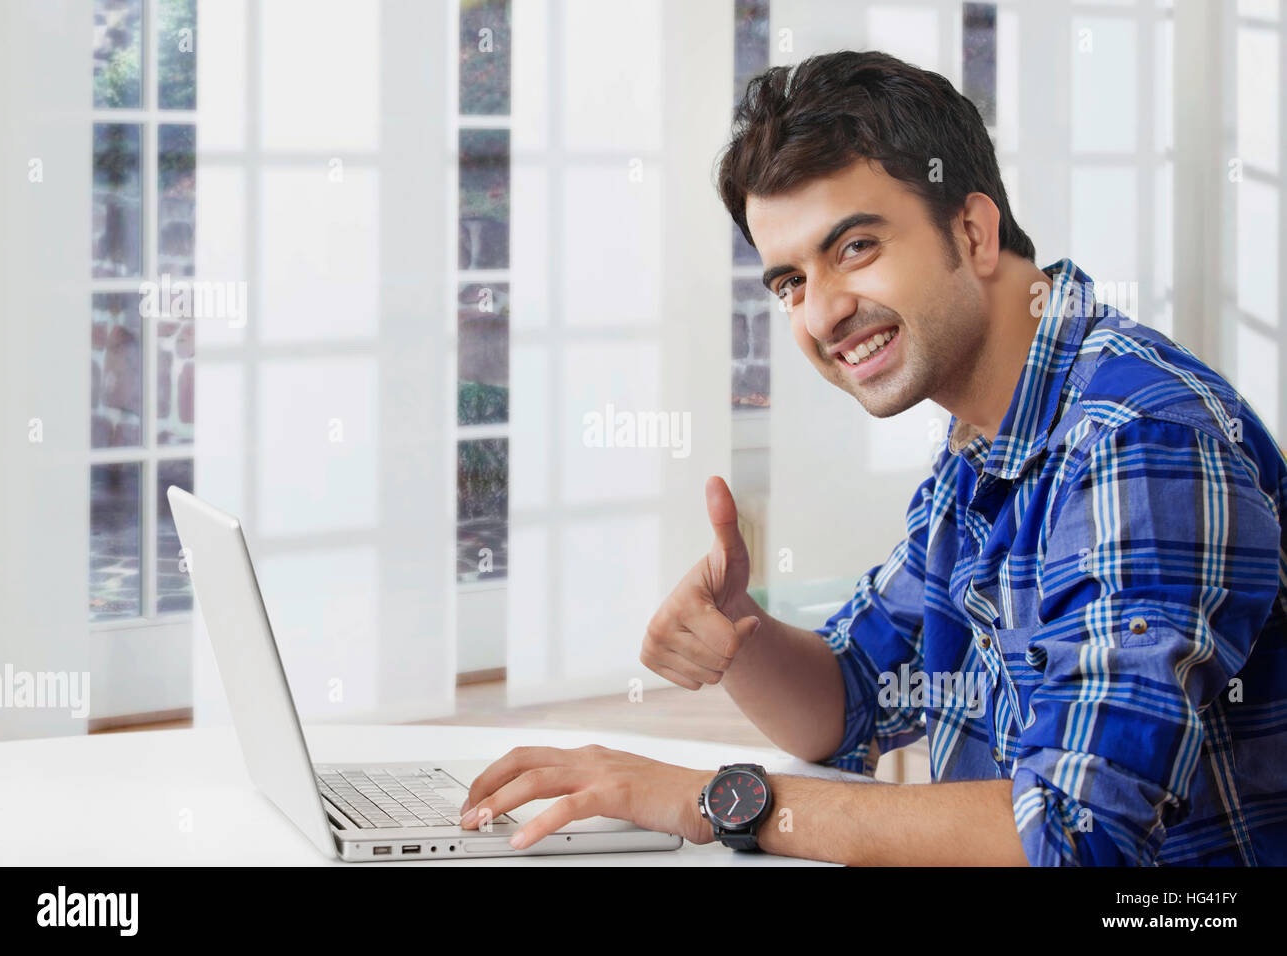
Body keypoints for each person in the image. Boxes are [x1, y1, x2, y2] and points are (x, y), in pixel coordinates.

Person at [457, 49, 1287, 865]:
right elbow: (851, 696)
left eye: (854, 248)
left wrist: (708, 800)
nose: (821, 314)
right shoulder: (988, 435)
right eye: (789, 282)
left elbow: (1074, 835)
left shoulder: (1136, 444)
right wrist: (741, 632)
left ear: (972, 230)